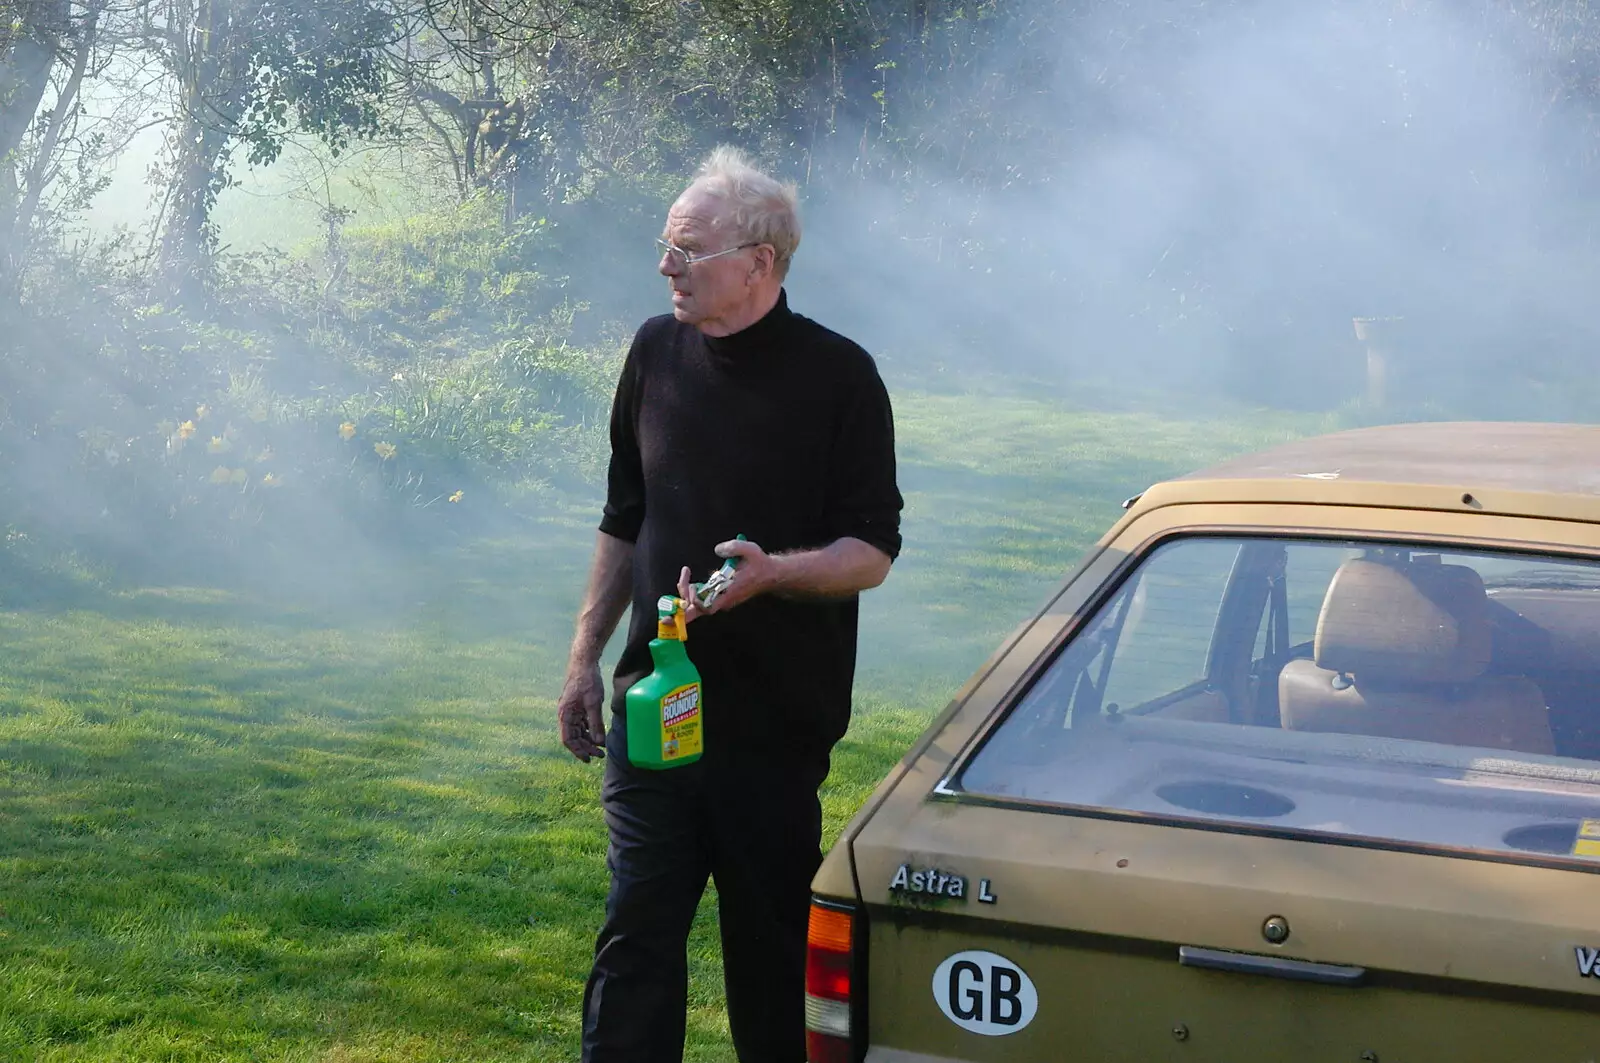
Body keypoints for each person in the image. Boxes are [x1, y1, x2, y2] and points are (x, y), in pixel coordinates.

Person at [556, 145, 903, 1063]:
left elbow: (871, 552)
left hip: (772, 727)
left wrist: (772, 574)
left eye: (688, 249)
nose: (665, 266)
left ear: (760, 262)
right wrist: (584, 653)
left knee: (769, 957)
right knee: (635, 938)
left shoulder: (841, 378)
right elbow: (623, 516)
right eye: (664, 245)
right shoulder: (652, 350)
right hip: (654, 704)